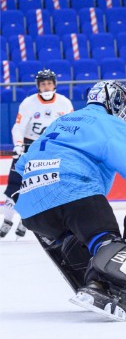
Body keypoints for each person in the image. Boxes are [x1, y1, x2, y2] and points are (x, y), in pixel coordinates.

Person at [12, 80, 126, 321]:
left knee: (76, 236)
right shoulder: (107, 122)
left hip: (32, 207)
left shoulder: (62, 121)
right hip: (73, 188)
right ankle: (101, 286)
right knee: (108, 240)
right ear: (116, 103)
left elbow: (21, 163)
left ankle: (92, 283)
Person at [1, 69, 73, 240]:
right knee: (15, 184)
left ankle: (27, 221)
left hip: (51, 149)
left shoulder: (64, 103)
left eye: (49, 83)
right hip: (28, 147)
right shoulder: (28, 103)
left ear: (54, 84)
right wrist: (18, 145)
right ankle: (7, 220)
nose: (46, 87)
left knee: (41, 187)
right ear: (38, 86)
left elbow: (69, 128)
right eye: (43, 84)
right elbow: (18, 127)